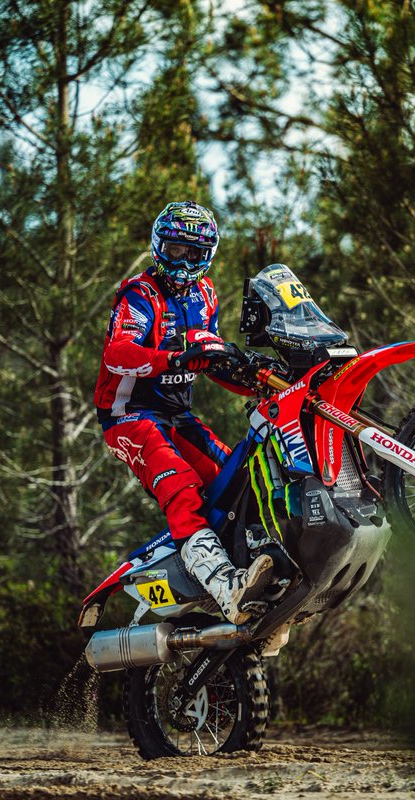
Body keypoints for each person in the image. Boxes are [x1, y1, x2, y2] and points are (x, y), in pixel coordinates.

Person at [93, 201, 273, 625]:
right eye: (176, 250)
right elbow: (118, 353)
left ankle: (258, 572)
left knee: (240, 478)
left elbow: (209, 361)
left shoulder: (206, 294)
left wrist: (255, 378)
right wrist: (171, 358)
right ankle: (225, 587)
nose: (183, 261)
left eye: (194, 253)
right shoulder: (140, 294)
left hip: (179, 416)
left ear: (207, 255)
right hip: (129, 417)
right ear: (159, 247)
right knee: (182, 486)